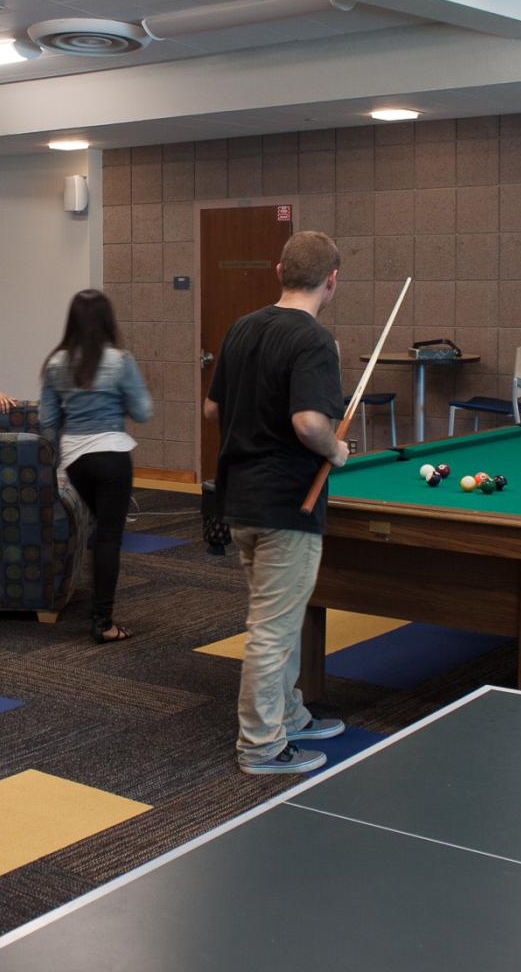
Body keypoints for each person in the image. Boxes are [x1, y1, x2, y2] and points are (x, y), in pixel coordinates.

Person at [203, 231, 351, 776]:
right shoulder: (313, 339)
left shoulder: (241, 328)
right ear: (331, 281)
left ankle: (289, 713)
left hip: (239, 499)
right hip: (286, 503)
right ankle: (262, 746)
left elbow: (211, 409)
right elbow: (309, 422)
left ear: (278, 271)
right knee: (272, 629)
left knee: (279, 621)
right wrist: (334, 449)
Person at [40, 289, 154, 643]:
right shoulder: (120, 361)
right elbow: (143, 411)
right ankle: (103, 621)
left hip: (75, 461)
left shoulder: (55, 363)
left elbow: (48, 420)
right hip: (112, 456)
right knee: (109, 536)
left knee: (99, 531)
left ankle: (98, 612)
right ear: (107, 320)